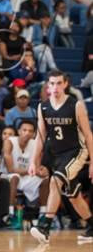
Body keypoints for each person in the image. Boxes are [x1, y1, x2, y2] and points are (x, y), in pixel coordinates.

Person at [29, 70, 93, 243]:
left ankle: (45, 226)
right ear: (47, 86)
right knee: (73, 196)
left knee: (55, 181)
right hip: (57, 155)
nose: (55, 87)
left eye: (58, 83)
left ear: (65, 84)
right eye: (52, 83)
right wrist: (33, 161)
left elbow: (88, 135)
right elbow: (40, 137)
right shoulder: (43, 107)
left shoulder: (76, 105)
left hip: (76, 152)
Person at [2, 120, 49, 229]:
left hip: (27, 176)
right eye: (24, 130)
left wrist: (42, 171)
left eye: (30, 131)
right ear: (18, 131)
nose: (27, 133)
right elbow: (10, 169)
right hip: (7, 176)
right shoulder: (9, 142)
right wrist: (33, 171)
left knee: (45, 179)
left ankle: (43, 214)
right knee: (14, 177)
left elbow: (37, 167)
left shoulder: (35, 144)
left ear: (34, 134)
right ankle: (11, 214)